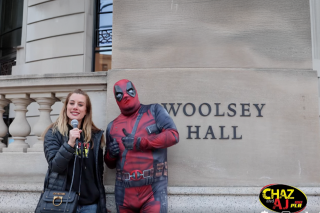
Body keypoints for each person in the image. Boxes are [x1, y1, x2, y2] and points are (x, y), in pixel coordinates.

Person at [104, 79, 179, 213]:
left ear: (136, 92)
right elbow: (109, 164)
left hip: (152, 189)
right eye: (120, 94)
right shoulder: (112, 126)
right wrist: (111, 154)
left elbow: (173, 135)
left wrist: (141, 142)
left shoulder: (154, 110)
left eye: (129, 91)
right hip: (124, 192)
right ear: (116, 99)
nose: (126, 95)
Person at [43, 89, 107, 213]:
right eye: (71, 103)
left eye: (80, 104)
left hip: (90, 205)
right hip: (61, 202)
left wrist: (101, 204)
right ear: (66, 106)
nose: (75, 107)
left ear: (86, 110)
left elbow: (98, 173)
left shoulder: (95, 136)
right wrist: (70, 143)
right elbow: (55, 166)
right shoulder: (53, 133)